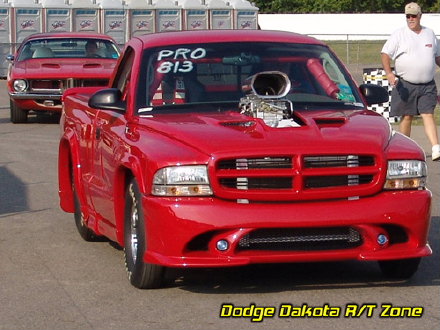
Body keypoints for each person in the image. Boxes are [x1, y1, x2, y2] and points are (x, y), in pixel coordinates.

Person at [381, 2, 440, 161]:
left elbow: (437, 57)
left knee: (428, 114)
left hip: (427, 83)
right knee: (407, 116)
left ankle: (436, 149)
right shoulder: (399, 34)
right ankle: (404, 149)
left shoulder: (430, 34)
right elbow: (385, 54)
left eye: (414, 16)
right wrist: (389, 73)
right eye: (408, 16)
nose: (411, 19)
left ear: (420, 16)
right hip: (406, 84)